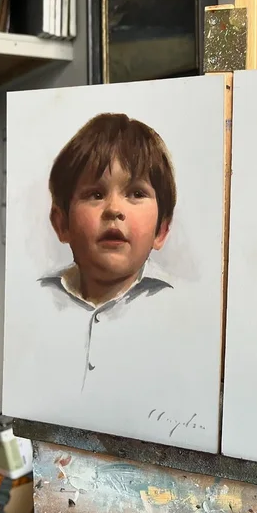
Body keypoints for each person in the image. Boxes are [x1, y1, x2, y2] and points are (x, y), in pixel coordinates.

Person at [39, 112, 176, 391]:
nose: (114, 209)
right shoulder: (38, 299)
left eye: (136, 193)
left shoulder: (179, 310)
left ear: (161, 230)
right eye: (96, 194)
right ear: (62, 224)